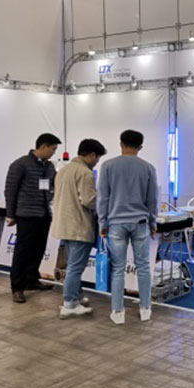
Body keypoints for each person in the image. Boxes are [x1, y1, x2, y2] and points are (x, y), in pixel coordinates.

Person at [97, 130, 158, 325]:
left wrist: (102, 223)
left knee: (118, 269)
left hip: (116, 223)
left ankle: (118, 312)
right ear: (140, 147)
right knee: (143, 267)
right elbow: (152, 200)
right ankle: (145, 309)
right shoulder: (148, 168)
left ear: (121, 143)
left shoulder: (107, 166)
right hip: (140, 223)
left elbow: (103, 198)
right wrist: (153, 222)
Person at [51, 139, 107, 319]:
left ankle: (77, 295)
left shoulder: (63, 170)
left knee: (72, 265)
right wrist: (104, 204)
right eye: (97, 158)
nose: (96, 162)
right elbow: (89, 200)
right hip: (78, 226)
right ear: (92, 155)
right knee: (75, 267)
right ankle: (70, 304)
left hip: (64, 224)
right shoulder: (85, 173)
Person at [5, 133, 61, 303]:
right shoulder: (20, 164)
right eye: (53, 149)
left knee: (39, 249)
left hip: (44, 214)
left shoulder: (49, 166)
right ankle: (17, 287)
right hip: (26, 214)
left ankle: (32, 280)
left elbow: (54, 185)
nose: (54, 152)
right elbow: (10, 191)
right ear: (43, 146)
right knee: (23, 251)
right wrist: (10, 214)